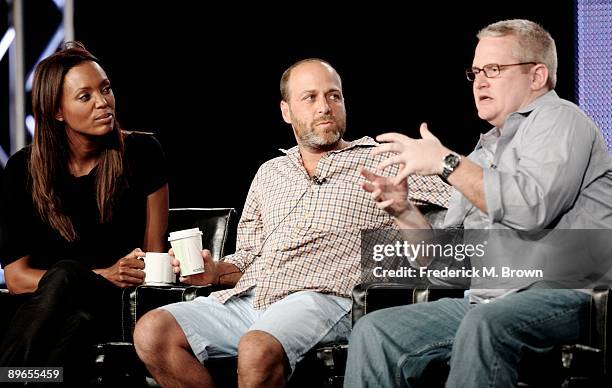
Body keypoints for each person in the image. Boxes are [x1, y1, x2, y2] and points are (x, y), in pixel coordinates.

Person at [133, 58, 450, 387]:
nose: (324, 107)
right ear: (286, 111)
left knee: (256, 348)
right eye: (310, 97)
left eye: (334, 96)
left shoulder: (382, 159)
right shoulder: (270, 172)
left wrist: (435, 176)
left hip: (322, 298)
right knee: (152, 332)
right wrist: (215, 271)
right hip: (250, 298)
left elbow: (471, 207)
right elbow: (249, 255)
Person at [344, 19, 612, 387]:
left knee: (484, 324)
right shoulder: (483, 153)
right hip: (486, 304)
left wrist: (446, 162)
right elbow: (449, 266)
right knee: (375, 331)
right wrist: (405, 212)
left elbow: (530, 209)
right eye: (476, 72)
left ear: (537, 76)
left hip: (569, 298)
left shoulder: (563, 120)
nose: (481, 82)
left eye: (494, 69)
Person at [0, 42, 169, 383]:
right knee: (73, 317)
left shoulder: (143, 153)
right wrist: (101, 273)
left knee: (67, 279)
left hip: (116, 305)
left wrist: (103, 280)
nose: (103, 102)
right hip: (52, 312)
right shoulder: (22, 169)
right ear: (57, 111)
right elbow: (17, 279)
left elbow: (154, 260)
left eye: (105, 89)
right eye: (85, 96)